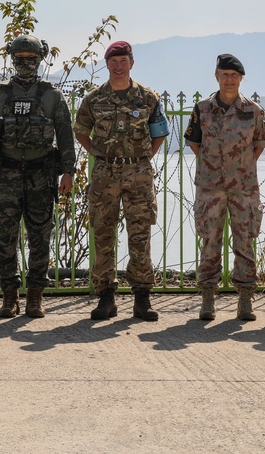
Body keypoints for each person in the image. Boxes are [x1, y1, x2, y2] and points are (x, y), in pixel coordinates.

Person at [0, 34, 76, 318]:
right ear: (12, 59)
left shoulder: (53, 95)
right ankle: (9, 295)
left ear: (40, 59)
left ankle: (35, 297)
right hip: (6, 175)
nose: (26, 63)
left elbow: (65, 135)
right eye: (20, 58)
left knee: (40, 236)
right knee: (5, 237)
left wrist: (69, 171)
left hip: (41, 176)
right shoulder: (0, 94)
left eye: (31, 58)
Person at [74, 40, 169, 321]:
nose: (118, 66)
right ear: (107, 65)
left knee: (140, 234)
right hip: (105, 173)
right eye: (113, 62)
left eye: (123, 61)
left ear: (132, 62)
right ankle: (106, 297)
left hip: (138, 174)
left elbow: (159, 132)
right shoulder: (94, 99)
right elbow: (80, 130)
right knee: (103, 233)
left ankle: (142, 297)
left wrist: (144, 158)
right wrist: (95, 152)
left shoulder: (148, 98)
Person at [184, 54, 265, 321]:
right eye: (224, 75)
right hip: (210, 187)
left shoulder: (253, 111)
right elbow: (194, 143)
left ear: (241, 79)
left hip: (243, 188)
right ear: (217, 77)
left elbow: (259, 143)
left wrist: (239, 167)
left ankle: (245, 298)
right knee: (210, 241)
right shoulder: (202, 109)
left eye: (234, 76)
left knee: (245, 241)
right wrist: (214, 166)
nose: (229, 80)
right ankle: (208, 296)